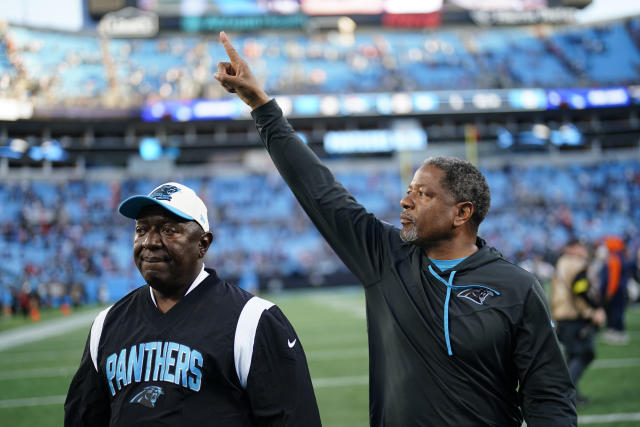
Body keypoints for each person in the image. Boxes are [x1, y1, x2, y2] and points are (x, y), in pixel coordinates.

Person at [215, 32, 576, 426]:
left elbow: (550, 397)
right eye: (408, 191)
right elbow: (320, 190)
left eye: (422, 194)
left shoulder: (517, 288)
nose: (406, 201)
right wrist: (261, 107)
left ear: (462, 213)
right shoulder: (385, 256)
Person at [64, 182, 321, 427]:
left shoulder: (253, 320)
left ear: (203, 244)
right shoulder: (107, 324)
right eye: (141, 229)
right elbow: (83, 418)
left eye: (168, 230)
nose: (149, 242)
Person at [551, 239, 606, 406]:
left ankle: (570, 393)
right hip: (573, 316)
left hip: (561, 315)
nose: (583, 249)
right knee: (583, 354)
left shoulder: (561, 262)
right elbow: (581, 289)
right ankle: (567, 394)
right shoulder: (575, 264)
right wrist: (596, 308)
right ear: (572, 248)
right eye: (580, 246)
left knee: (575, 355)